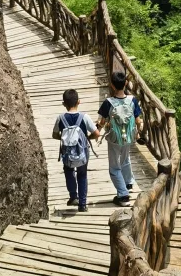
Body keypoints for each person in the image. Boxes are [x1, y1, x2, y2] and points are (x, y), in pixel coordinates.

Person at [97, 66, 143, 206]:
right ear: (125, 84)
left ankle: (123, 195)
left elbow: (101, 122)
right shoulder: (132, 100)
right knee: (125, 159)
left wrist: (95, 131)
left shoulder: (108, 103)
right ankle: (128, 183)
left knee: (114, 168)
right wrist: (140, 132)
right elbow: (138, 120)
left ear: (112, 84)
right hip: (128, 137)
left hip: (114, 139)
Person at [52, 87, 97, 212]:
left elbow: (54, 135)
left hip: (67, 154)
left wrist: (65, 138)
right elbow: (97, 133)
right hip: (82, 153)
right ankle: (82, 204)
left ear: (63, 104)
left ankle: (73, 196)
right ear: (79, 102)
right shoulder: (84, 117)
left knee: (68, 171)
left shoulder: (60, 118)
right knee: (82, 175)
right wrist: (88, 137)